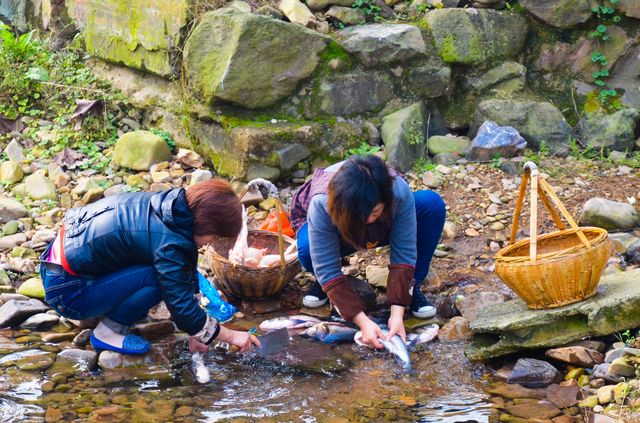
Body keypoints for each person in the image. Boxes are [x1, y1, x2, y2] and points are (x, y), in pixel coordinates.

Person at [39, 179, 260, 355]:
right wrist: (230, 336)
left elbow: (184, 270)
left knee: (165, 273)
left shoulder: (168, 207)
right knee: (157, 278)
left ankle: (107, 307)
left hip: (55, 264)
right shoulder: (171, 243)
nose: (210, 243)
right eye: (213, 237)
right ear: (204, 224)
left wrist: (199, 332)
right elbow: (180, 306)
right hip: (68, 290)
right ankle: (108, 332)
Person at [289, 155, 446, 349]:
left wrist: (396, 314)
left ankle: (412, 289)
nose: (369, 220)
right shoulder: (323, 202)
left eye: (375, 212)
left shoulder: (396, 191)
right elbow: (326, 265)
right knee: (306, 249)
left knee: (431, 204)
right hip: (340, 228)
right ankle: (327, 288)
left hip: (384, 224)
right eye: (363, 215)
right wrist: (363, 322)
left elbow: (404, 251)